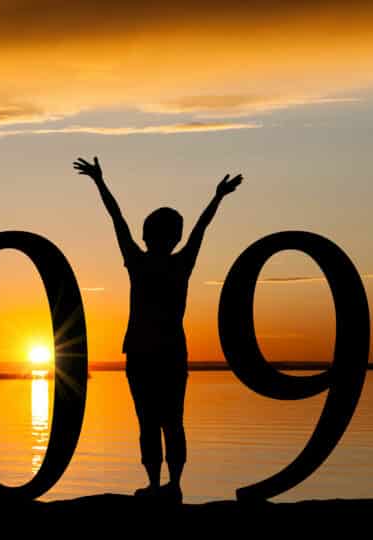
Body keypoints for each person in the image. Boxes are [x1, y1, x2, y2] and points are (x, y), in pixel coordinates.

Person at [73, 156, 242, 503]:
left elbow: (117, 219)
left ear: (148, 234)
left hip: (147, 353)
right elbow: (200, 227)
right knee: (168, 421)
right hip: (161, 352)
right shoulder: (178, 262)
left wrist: (99, 182)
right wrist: (218, 197)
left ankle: (161, 485)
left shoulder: (144, 261)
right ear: (173, 236)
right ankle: (168, 485)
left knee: (152, 421)